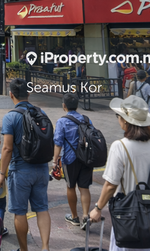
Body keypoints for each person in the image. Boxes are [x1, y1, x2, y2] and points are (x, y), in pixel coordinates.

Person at [89, 95, 150, 251]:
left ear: (125, 121)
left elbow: (110, 185)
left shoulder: (119, 146)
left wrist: (97, 209)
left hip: (130, 216)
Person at [0, 78, 51, 251]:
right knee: (42, 208)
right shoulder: (42, 113)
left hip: (20, 170)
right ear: (29, 93)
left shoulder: (11, 117)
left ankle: (24, 249)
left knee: (20, 212)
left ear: (11, 94)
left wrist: (2, 174)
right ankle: (45, 247)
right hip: (41, 168)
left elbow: (7, 148)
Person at [53, 93, 92, 230]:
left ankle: (74, 217)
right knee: (84, 187)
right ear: (77, 105)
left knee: (71, 186)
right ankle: (86, 216)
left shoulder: (62, 121)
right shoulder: (86, 119)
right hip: (86, 159)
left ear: (64, 105)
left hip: (70, 159)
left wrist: (54, 161)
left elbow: (58, 143)